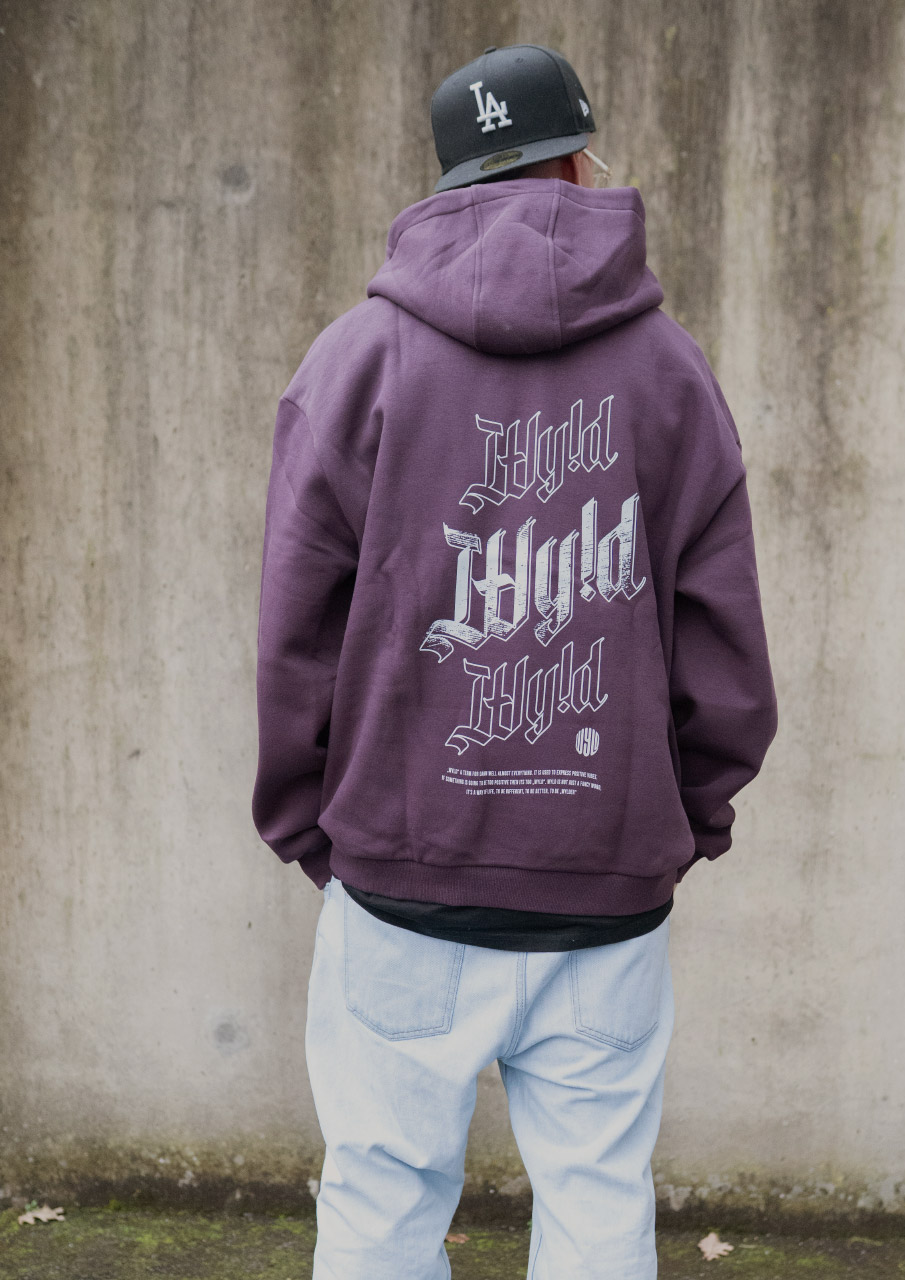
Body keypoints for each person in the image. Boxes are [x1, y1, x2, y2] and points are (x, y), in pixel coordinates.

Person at [252, 42, 777, 1280]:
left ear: (450, 180)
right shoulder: (670, 372)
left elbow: (294, 630)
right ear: (581, 163)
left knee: (380, 1200)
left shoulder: (355, 362)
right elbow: (725, 645)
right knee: (597, 1202)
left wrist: (316, 829)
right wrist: (676, 821)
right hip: (605, 884)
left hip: (399, 879)